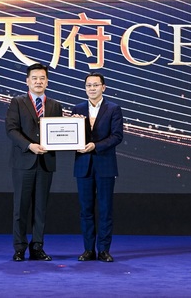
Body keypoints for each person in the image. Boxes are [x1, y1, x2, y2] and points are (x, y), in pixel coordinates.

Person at [5, 63, 63, 261]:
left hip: (46, 162)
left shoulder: (55, 105)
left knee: (41, 208)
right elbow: (11, 130)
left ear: (47, 82)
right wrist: (30, 146)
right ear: (27, 81)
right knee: (20, 207)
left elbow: (60, 132)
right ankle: (19, 248)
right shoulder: (17, 102)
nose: (38, 81)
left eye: (42, 78)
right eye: (35, 78)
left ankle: (37, 246)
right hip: (24, 162)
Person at [73, 72, 123, 262]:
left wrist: (96, 146)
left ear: (103, 87)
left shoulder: (113, 109)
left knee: (105, 209)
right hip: (83, 165)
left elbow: (117, 136)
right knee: (85, 210)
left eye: (95, 85)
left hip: (105, 164)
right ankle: (88, 250)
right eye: (89, 85)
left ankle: (103, 250)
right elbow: (71, 135)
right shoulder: (78, 108)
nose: (92, 88)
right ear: (85, 88)